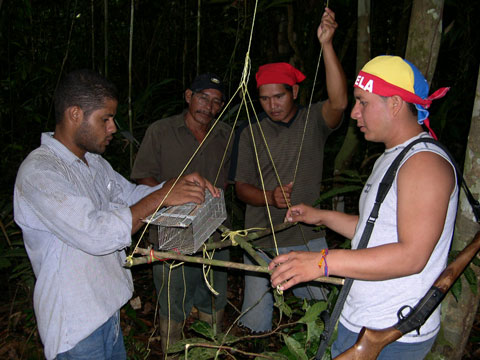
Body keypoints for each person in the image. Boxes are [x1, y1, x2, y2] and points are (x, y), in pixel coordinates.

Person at [13, 69, 218, 360]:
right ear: (75, 114)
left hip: (107, 310)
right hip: (76, 325)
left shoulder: (93, 164)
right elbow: (96, 233)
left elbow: (132, 197)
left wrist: (177, 187)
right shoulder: (41, 172)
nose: (112, 128)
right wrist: (163, 196)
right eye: (105, 119)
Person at [269, 55, 456, 359]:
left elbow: (412, 256)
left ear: (394, 104)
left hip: (393, 334)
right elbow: (376, 229)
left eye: (363, 102)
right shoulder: (393, 157)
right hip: (363, 320)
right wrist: (320, 216)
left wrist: (321, 263)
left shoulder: (424, 164)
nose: (355, 112)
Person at [230, 8, 347, 333]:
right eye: (264, 98)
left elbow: (339, 103)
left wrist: (326, 44)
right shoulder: (251, 132)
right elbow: (240, 188)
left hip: (307, 233)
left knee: (325, 310)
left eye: (279, 96)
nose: (272, 104)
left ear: (294, 92)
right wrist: (270, 197)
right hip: (262, 236)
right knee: (255, 320)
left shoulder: (313, 121)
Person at [130, 73, 232, 352]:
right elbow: (143, 178)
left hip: (214, 232)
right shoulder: (161, 131)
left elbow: (231, 180)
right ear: (188, 96)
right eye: (202, 97)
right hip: (170, 229)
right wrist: (172, 197)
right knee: (173, 298)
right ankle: (173, 351)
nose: (208, 106)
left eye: (216, 101)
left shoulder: (225, 134)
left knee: (213, 295)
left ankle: (207, 351)